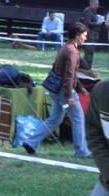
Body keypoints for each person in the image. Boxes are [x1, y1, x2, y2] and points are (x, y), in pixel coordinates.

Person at [23, 22, 91, 157]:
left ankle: (31, 142)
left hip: (56, 90)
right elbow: (69, 74)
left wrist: (80, 88)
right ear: (77, 35)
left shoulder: (66, 47)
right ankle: (81, 151)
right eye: (84, 35)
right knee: (78, 118)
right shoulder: (72, 51)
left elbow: (67, 72)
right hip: (64, 91)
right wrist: (70, 96)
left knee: (55, 119)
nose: (85, 38)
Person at [80, 0, 103, 69]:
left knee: (91, 52)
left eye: (98, 4)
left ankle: (88, 67)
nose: (97, 5)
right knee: (89, 51)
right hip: (90, 35)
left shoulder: (93, 11)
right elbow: (88, 23)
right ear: (91, 4)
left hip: (93, 34)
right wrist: (98, 23)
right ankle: (86, 67)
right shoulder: (89, 11)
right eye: (95, 4)